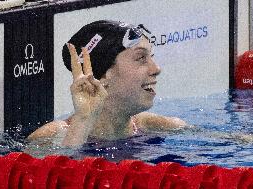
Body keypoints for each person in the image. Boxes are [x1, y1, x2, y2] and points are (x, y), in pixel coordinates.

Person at [27, 20, 186, 147]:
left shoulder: (161, 127)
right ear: (102, 75)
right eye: (141, 58)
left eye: (151, 56)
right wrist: (83, 120)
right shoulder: (49, 138)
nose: (156, 68)